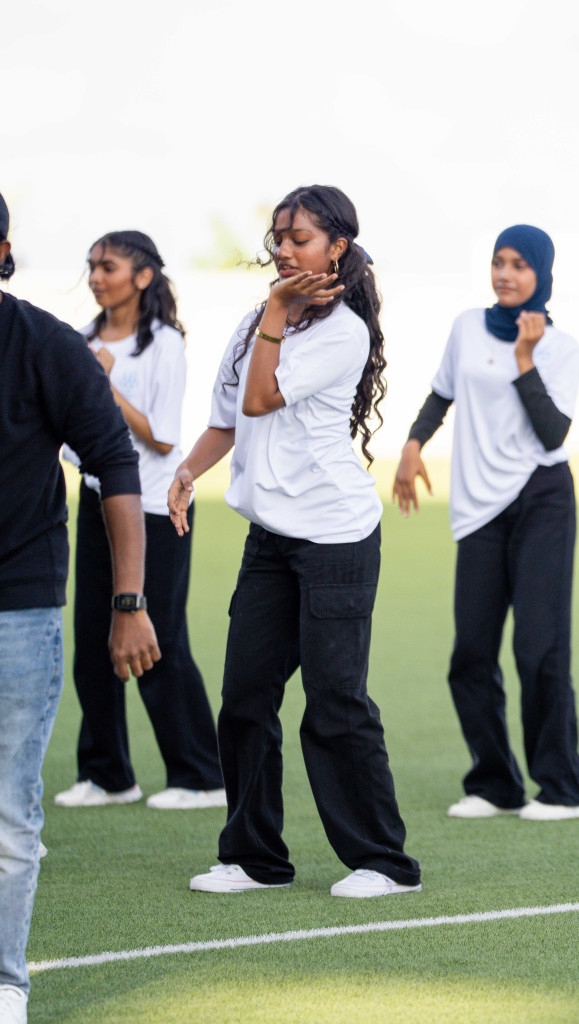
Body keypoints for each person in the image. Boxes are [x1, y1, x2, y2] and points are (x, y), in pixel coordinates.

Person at [169, 185, 420, 899]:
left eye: (300, 237)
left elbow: (261, 398)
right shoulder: (260, 320)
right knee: (245, 696)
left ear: (336, 247)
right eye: (279, 235)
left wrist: (276, 310)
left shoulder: (341, 331)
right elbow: (229, 417)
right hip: (271, 536)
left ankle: (384, 863)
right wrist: (188, 471)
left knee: (335, 703)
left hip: (335, 535)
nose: (283, 248)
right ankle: (254, 858)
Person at [0, 191, 159, 1024]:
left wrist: (129, 600)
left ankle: (4, 985)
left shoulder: (48, 347)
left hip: (17, 612)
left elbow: (114, 463)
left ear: (2, 248)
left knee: (7, 813)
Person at [395, 224, 579, 821]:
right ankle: (494, 782)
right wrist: (412, 445)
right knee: (471, 655)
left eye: (519, 265)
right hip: (479, 506)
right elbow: (441, 394)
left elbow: (553, 433)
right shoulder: (465, 326)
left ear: (542, 275)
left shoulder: (561, 347)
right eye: (498, 262)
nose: (505, 274)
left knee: (539, 650)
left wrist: (525, 360)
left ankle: (562, 789)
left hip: (543, 500)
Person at [54, 231, 223, 812]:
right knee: (92, 640)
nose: (97, 277)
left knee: (161, 638)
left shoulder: (164, 345)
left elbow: (163, 436)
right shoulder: (80, 340)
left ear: (143, 276)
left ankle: (200, 775)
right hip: (98, 501)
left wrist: (105, 383)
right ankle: (107, 774)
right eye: (92, 267)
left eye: (109, 266)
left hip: (154, 506)